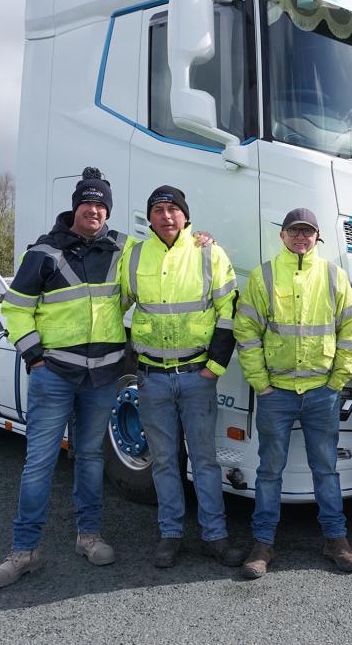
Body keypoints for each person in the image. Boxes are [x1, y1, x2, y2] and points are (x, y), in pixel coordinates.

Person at [0, 168, 135, 588]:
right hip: (54, 374)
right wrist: (34, 355)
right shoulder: (44, 252)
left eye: (102, 204)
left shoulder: (123, 249)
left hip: (103, 376)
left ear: (108, 210)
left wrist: (199, 239)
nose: (95, 209)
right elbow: (15, 307)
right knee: (39, 463)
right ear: (75, 207)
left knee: (90, 459)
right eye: (88, 202)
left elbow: (165, 258)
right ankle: (25, 551)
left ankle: (88, 537)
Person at [234, 208, 352, 578]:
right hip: (277, 392)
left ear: (317, 237)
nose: (301, 237)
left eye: (307, 232)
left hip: (322, 391)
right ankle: (263, 545)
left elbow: (351, 327)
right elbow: (246, 332)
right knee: (269, 470)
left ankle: (336, 540)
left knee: (326, 469)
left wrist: (338, 379)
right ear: (283, 236)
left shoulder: (333, 276)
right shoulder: (264, 275)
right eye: (295, 231)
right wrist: (261, 383)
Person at [121, 186, 241, 568]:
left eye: (173, 209)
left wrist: (214, 368)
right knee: (163, 462)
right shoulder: (134, 255)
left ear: (185, 216)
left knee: (204, 461)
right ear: (150, 217)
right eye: (158, 209)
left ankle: (215, 536)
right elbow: (111, 307)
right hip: (153, 377)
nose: (166, 216)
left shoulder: (210, 252)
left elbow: (229, 311)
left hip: (196, 376)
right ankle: (170, 535)